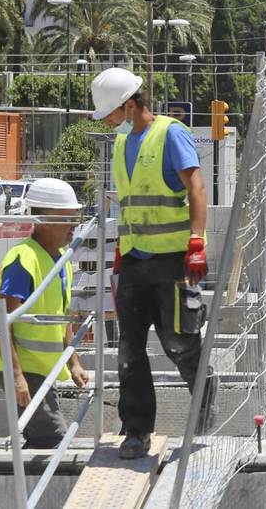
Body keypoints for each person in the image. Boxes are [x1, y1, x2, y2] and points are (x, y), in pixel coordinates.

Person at [89, 67, 211, 460]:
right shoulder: (121, 142)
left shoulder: (170, 134)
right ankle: (136, 431)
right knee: (129, 349)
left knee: (179, 344)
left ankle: (205, 398)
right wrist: (120, 254)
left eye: (109, 114)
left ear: (129, 105)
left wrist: (197, 241)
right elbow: (130, 205)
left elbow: (196, 186)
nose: (106, 122)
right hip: (134, 261)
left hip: (173, 261)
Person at [0, 177, 90, 448]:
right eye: (69, 218)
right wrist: (17, 377)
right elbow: (1, 321)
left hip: (40, 366)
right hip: (21, 365)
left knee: (44, 438)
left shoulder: (61, 260)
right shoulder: (24, 260)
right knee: (51, 438)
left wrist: (73, 362)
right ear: (46, 220)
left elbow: (61, 317)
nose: (76, 224)